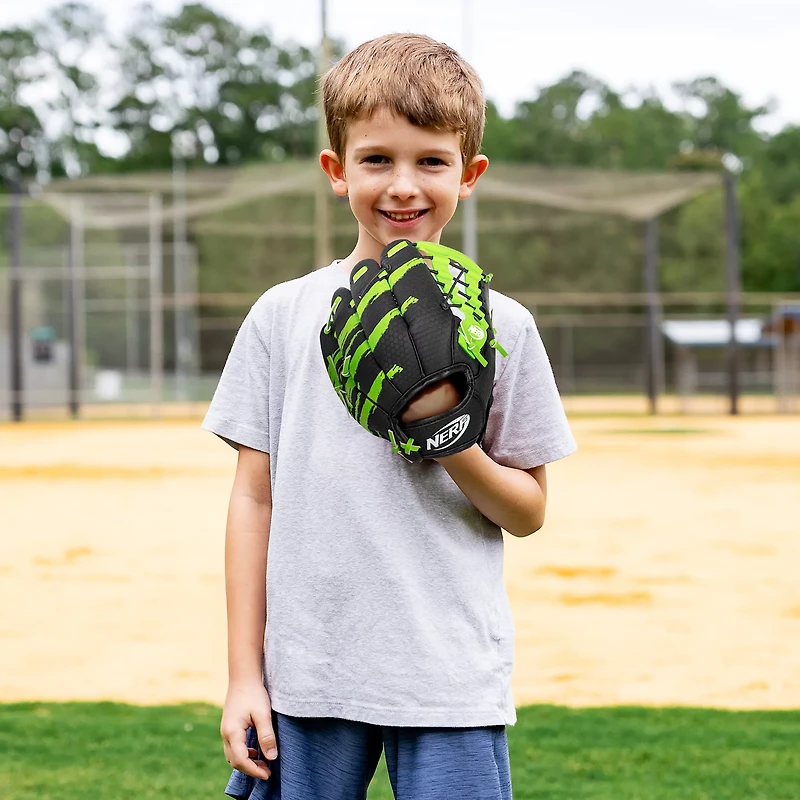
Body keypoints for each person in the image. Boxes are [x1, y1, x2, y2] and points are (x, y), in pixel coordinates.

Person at [202, 32, 576, 800]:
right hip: (308, 677)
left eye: (430, 161)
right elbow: (253, 497)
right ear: (337, 171)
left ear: (468, 175)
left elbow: (530, 510)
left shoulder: (502, 326)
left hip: (444, 675)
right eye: (377, 159)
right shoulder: (283, 314)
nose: (403, 185)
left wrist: (446, 434)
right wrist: (246, 674)